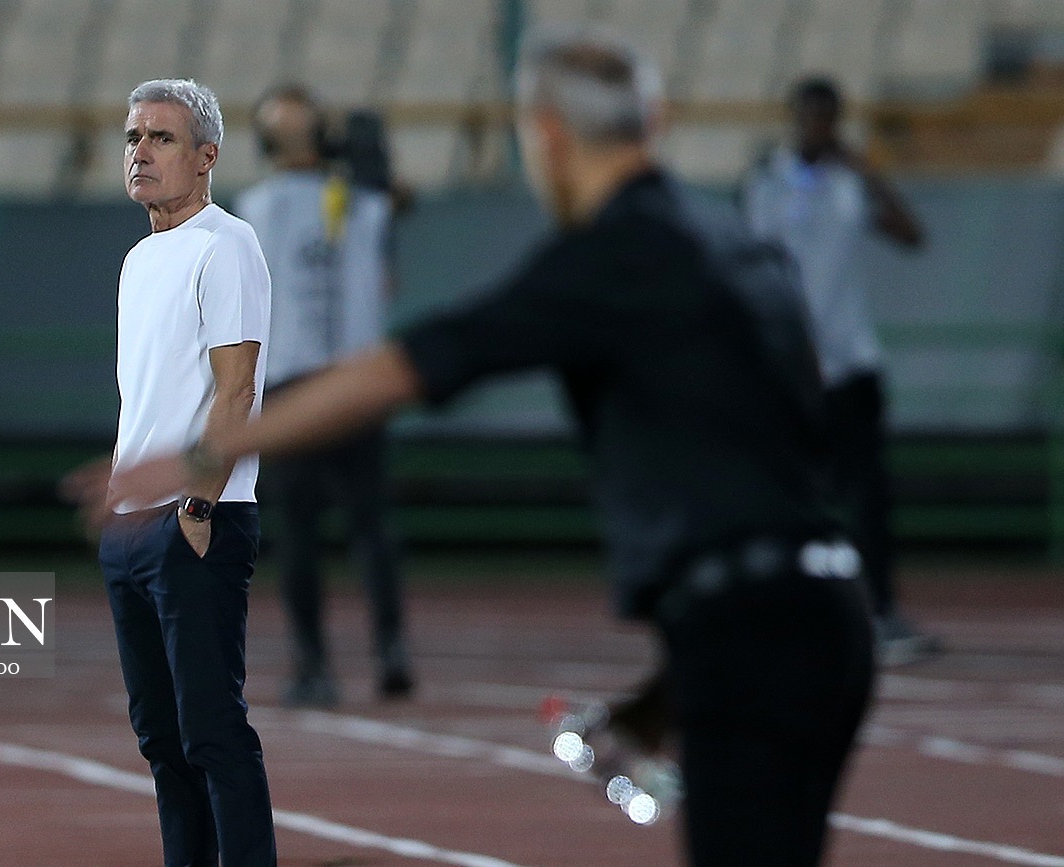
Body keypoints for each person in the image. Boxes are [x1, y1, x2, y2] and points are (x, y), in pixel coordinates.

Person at [108, 28, 876, 867]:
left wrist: (204, 456)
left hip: (752, 628)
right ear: (654, 121)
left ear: (547, 134)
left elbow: (412, 364)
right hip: (826, 610)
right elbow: (783, 473)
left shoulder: (606, 255)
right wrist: (666, 692)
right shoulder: (736, 241)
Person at [65, 78, 276, 866]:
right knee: (160, 738)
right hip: (133, 531)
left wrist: (197, 504)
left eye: (161, 138)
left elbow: (236, 389)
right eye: (133, 138)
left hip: (197, 519)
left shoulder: (227, 245)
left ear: (206, 156)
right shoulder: (140, 258)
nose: (141, 152)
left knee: (212, 732)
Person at [744, 77, 939, 666]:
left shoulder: (851, 181)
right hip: (790, 370)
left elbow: (912, 236)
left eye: (828, 119)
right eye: (810, 118)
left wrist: (869, 173)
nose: (819, 130)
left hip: (852, 364)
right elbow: (748, 262)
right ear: (794, 118)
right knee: (783, 500)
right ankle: (782, 618)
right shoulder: (767, 183)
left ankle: (879, 614)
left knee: (868, 501)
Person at [236, 84, 413, 707]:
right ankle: (378, 650)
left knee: (316, 531)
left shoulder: (266, 207)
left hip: (313, 383)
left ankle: (329, 662)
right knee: (353, 527)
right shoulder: (356, 202)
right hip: (337, 380)